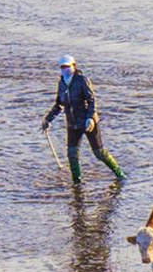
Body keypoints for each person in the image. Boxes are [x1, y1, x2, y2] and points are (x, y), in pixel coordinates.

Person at [42, 55, 125, 184]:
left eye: (67, 67)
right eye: (62, 67)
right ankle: (77, 183)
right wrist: (48, 119)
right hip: (72, 124)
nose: (65, 70)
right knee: (72, 154)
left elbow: (92, 101)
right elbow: (59, 104)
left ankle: (120, 174)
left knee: (99, 153)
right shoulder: (61, 84)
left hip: (88, 122)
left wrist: (90, 118)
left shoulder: (82, 80)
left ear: (74, 66)